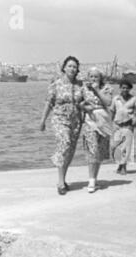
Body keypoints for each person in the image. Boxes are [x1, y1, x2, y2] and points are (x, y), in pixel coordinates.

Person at [39, 56, 84, 195]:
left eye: (74, 67)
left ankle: (63, 179)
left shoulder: (80, 85)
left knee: (70, 151)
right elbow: (49, 103)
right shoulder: (56, 84)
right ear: (64, 68)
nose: (72, 69)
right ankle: (60, 182)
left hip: (75, 121)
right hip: (59, 119)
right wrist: (43, 120)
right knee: (64, 144)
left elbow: (84, 103)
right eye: (69, 66)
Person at [81, 67, 114, 193]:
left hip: (104, 121)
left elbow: (108, 102)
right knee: (92, 150)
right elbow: (79, 103)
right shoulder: (84, 89)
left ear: (100, 78)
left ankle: (94, 179)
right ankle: (91, 181)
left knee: (100, 150)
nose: (93, 79)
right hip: (90, 120)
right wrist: (85, 107)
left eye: (96, 76)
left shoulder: (107, 88)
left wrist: (96, 90)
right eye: (91, 76)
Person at [110, 79, 136, 175]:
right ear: (120, 88)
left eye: (127, 88)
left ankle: (123, 167)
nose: (125, 89)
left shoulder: (134, 99)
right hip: (116, 125)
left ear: (130, 89)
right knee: (114, 147)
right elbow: (112, 111)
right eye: (123, 87)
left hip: (128, 126)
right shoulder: (116, 99)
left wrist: (135, 122)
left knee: (125, 148)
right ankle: (119, 164)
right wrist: (109, 124)